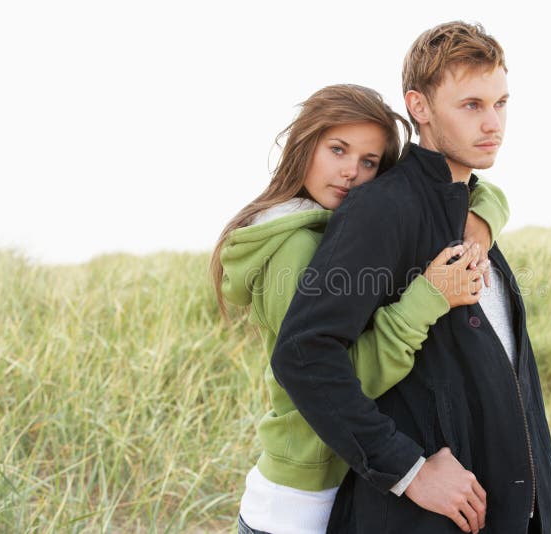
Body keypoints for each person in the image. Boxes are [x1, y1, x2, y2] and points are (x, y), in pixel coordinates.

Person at [270, 22, 551, 533]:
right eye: (471, 105)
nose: (493, 123)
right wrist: (408, 470)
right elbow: (304, 354)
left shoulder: (471, 211)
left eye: (501, 103)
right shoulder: (381, 209)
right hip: (421, 517)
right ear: (420, 106)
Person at [210, 84, 511, 534]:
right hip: (298, 505)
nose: (351, 171)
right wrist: (426, 300)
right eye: (338, 149)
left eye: (369, 162)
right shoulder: (293, 247)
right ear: (303, 145)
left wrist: (484, 214)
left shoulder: (331, 227)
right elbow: (337, 375)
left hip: (328, 487)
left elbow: (457, 185)